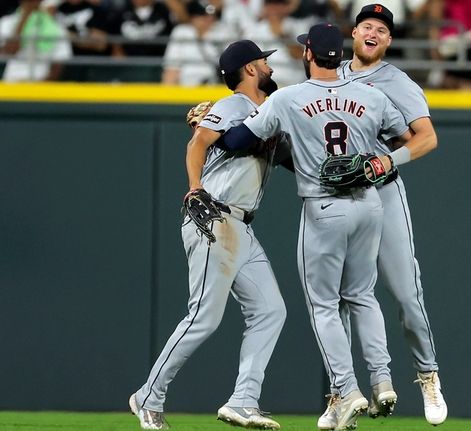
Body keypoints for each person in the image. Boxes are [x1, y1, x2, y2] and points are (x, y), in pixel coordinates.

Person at [221, 22, 436, 430]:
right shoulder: (371, 95)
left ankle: (347, 388)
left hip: (325, 207)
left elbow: (236, 141)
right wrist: (380, 160)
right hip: (370, 204)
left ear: (307, 54)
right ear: (340, 53)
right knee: (362, 296)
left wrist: (214, 129)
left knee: (324, 305)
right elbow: (409, 137)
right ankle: (384, 380)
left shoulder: (288, 98)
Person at [129, 39, 286, 431]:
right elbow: (197, 143)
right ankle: (149, 396)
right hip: (214, 215)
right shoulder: (234, 105)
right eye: (263, 62)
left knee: (270, 311)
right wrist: (195, 186)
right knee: (203, 316)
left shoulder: (261, 111)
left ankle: (244, 400)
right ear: (250, 69)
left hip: (242, 227)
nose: (269, 67)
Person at [314, 4, 445, 428]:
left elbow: (426, 139)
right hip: (337, 197)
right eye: (367, 25)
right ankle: (343, 395)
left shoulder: (396, 82)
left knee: (406, 294)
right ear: (354, 33)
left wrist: (387, 161)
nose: (373, 32)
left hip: (382, 193)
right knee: (342, 300)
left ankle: (427, 375)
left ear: (388, 41)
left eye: (382, 29)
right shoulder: (331, 72)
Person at [161, 0, 235, 85]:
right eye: (203, 15)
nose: (209, 18)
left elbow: (232, 69)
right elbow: (171, 70)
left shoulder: (223, 32)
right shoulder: (181, 32)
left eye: (212, 15)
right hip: (187, 87)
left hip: (214, 87)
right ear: (192, 17)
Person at [0, 0, 73, 81]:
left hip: (42, 87)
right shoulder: (7, 22)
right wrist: (26, 15)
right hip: (12, 83)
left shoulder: (58, 29)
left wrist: (37, 87)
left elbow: (57, 68)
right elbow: (8, 52)